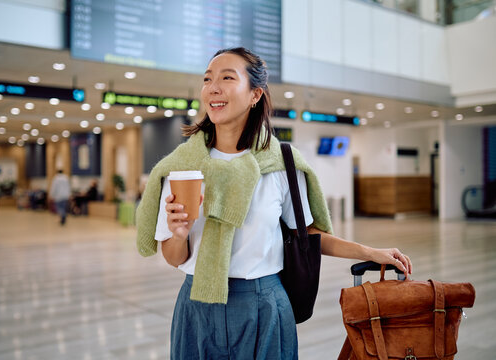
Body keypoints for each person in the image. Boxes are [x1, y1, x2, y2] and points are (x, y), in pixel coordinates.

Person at [136, 47, 413, 359]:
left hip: (263, 304)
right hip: (197, 303)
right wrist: (179, 234)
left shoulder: (282, 164)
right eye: (207, 79)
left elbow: (307, 236)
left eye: (227, 77)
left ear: (255, 94)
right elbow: (174, 258)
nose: (213, 87)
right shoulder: (183, 166)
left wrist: (370, 252)